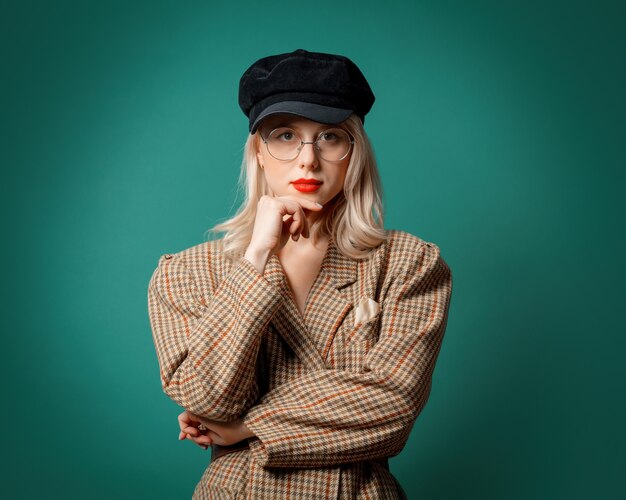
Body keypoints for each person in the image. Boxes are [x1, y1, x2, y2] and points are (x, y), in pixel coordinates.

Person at [147, 48, 453, 499]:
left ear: (355, 153)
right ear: (258, 153)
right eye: (286, 135)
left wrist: (247, 426)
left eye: (330, 136)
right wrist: (255, 258)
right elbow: (207, 399)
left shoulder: (409, 263)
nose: (308, 159)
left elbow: (392, 406)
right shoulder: (186, 273)